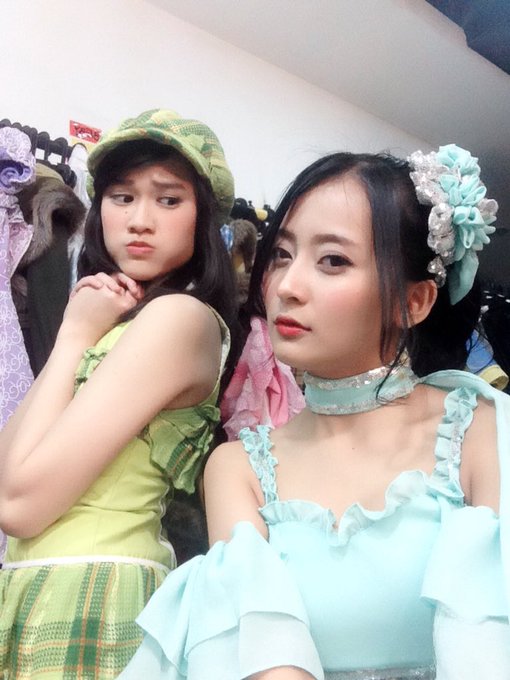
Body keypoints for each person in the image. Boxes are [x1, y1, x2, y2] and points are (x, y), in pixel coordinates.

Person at [120, 143, 510, 680]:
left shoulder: (483, 429)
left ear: (413, 302)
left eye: (333, 261)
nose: (286, 286)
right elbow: (266, 660)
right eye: (282, 254)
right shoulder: (238, 468)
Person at [0, 108, 240, 678]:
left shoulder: (179, 318)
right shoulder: (116, 321)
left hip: (94, 591)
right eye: (122, 196)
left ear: (203, 218)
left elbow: (18, 506)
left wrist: (73, 337)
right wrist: (79, 332)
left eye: (168, 199)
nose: (139, 220)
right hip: (45, 583)